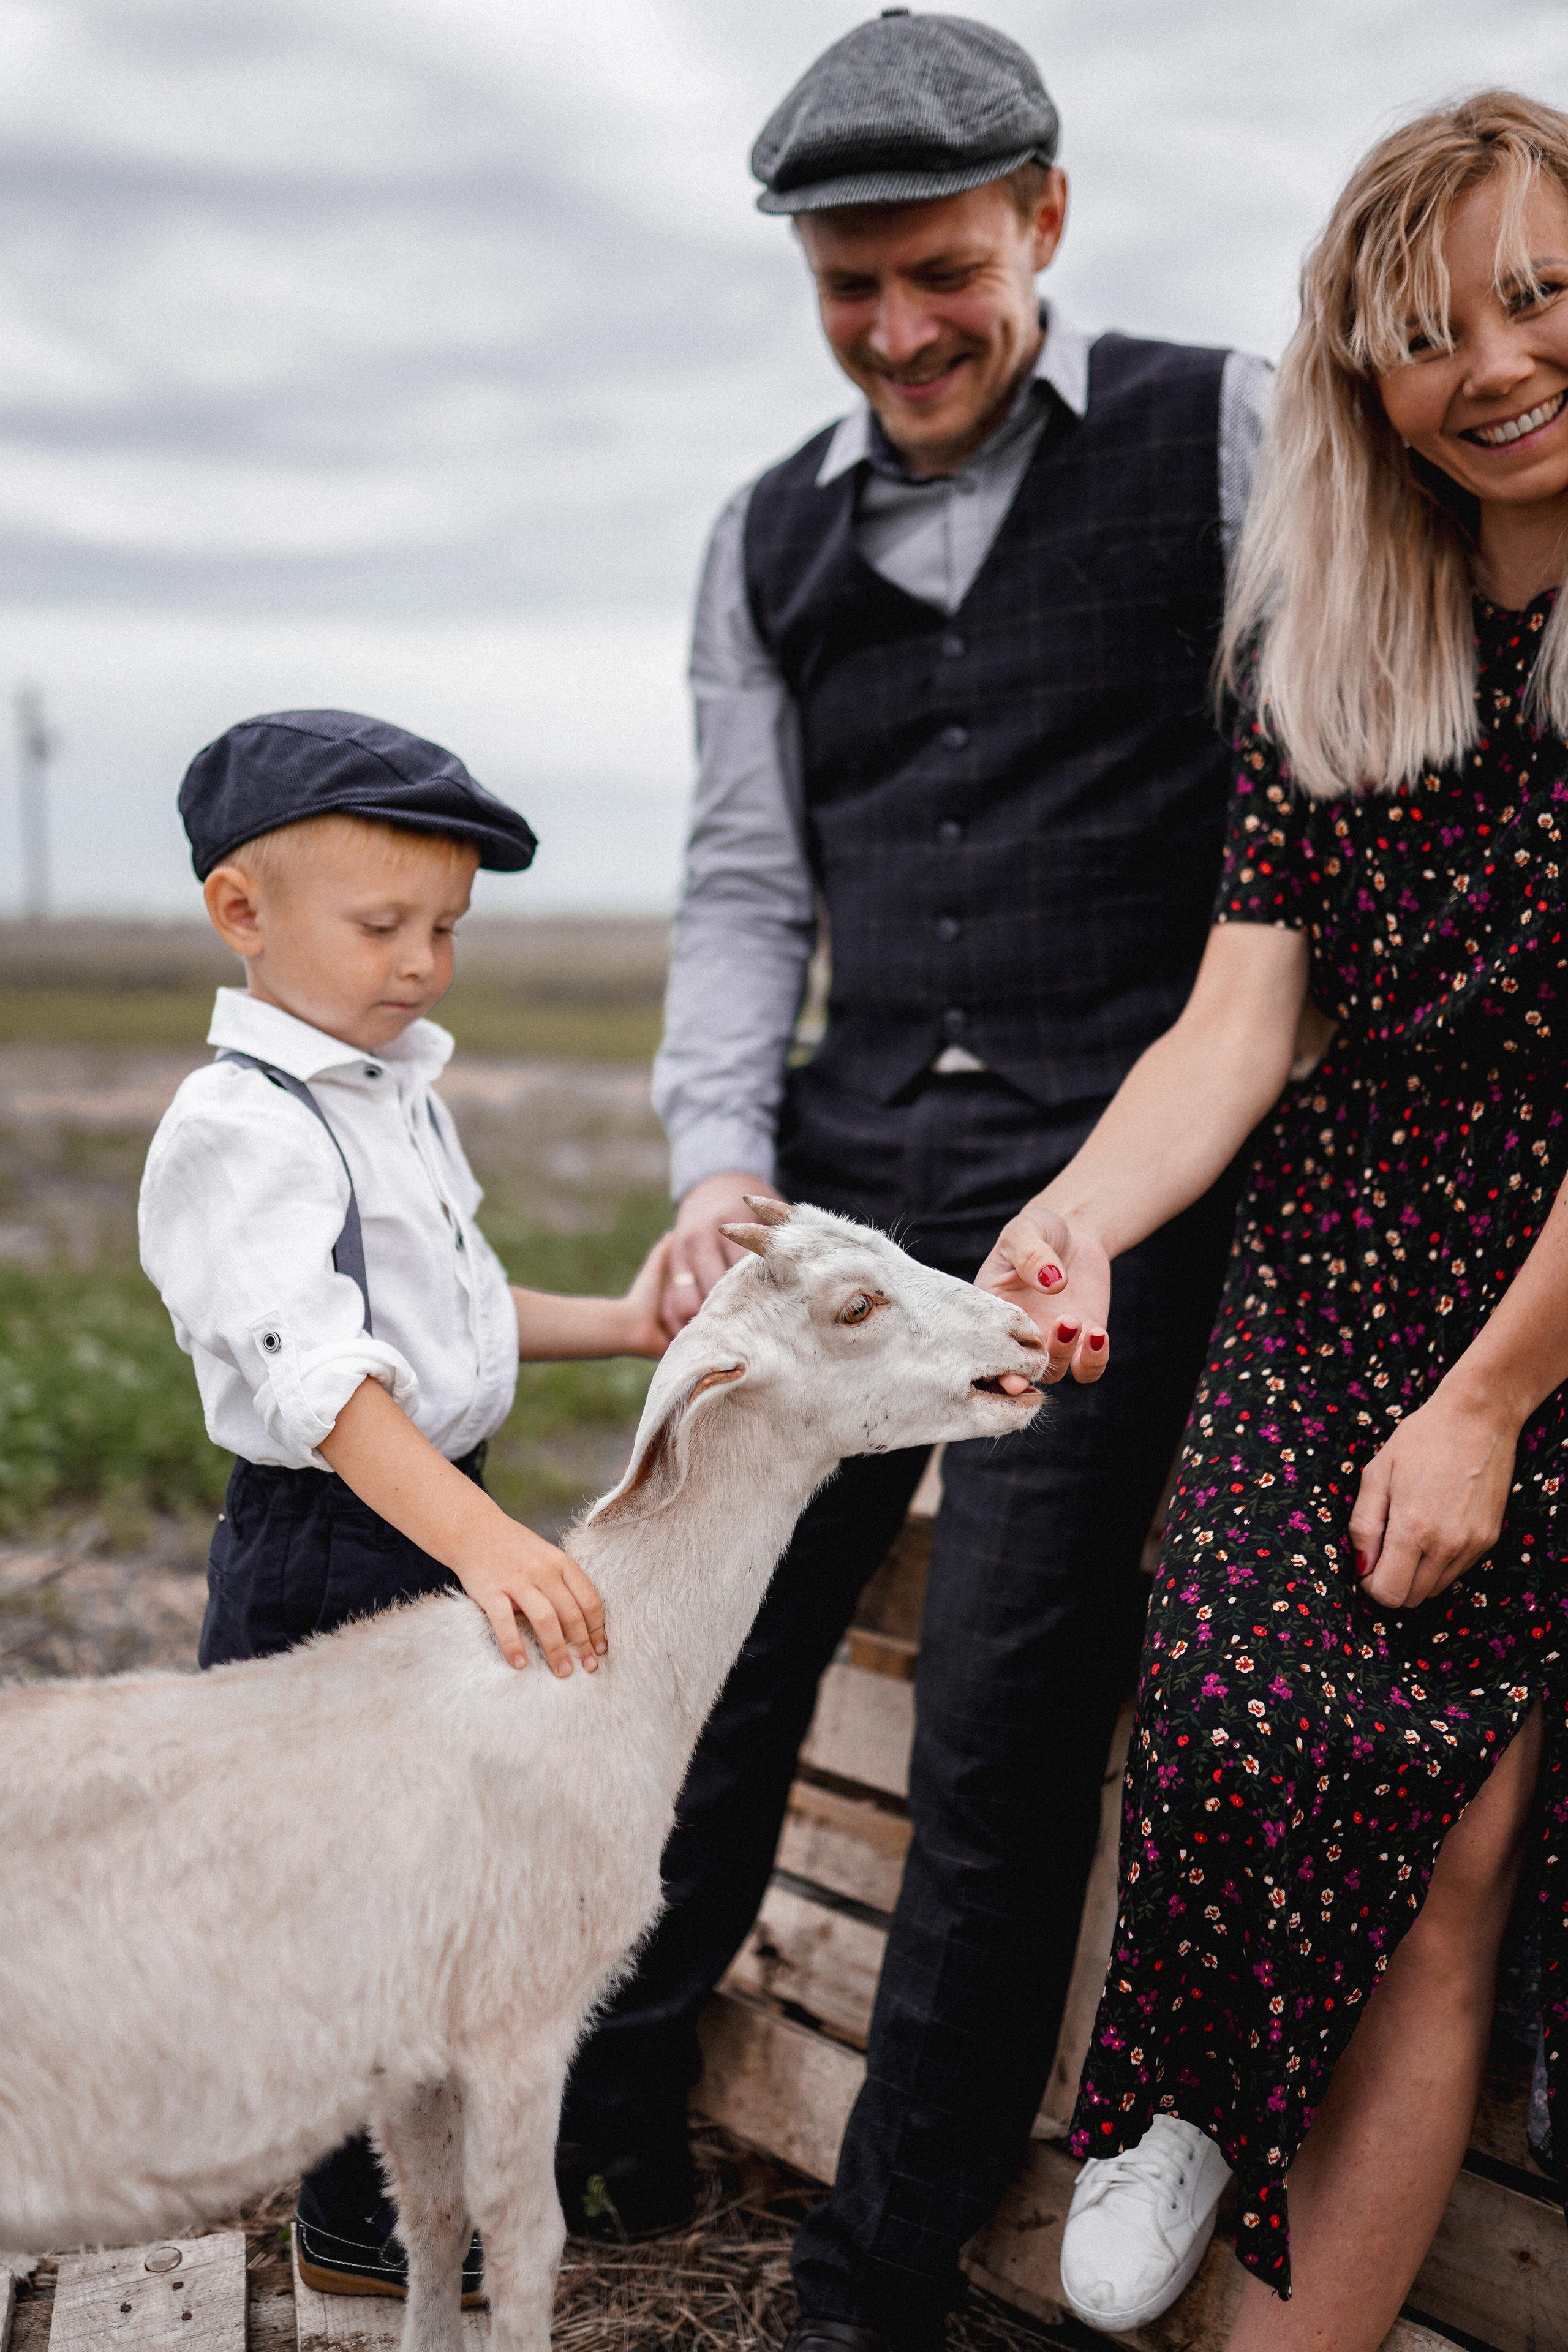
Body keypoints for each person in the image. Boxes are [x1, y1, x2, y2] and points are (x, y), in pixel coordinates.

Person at [559, 15, 1269, 2347]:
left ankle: (871, 2282)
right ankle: (607, 2118)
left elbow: (1310, 825)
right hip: (847, 1172)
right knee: (707, 1653)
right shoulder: (759, 533)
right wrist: (720, 1162)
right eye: (846, 284)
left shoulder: (1227, 431)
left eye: (939, 270)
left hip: (1116, 1175)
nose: (897, 328)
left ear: (1045, 221)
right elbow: (749, 888)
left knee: (997, 1727)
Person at [977, 91, 1568, 2346]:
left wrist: (1495, 1399)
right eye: (1429, 332)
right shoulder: (1322, 641)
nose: (1494, 364)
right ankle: (1185, 2090)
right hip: (1337, 1252)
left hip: (1546, 1292)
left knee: (1440, 1856)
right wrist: (1081, 1216)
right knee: (1219, 1700)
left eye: (1538, 293)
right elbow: (1235, 1034)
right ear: (1361, 380)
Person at [139, 708, 669, 2299]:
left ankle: (404, 2189)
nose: (425, 962)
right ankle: (359, 2240)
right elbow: (329, 1388)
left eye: (446, 927)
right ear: (245, 915)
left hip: (428, 1518)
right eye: (384, 926)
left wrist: (633, 1323)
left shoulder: (388, 1090)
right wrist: (491, 1543)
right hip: (334, 1541)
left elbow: (449, 1316)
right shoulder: (244, 1128)